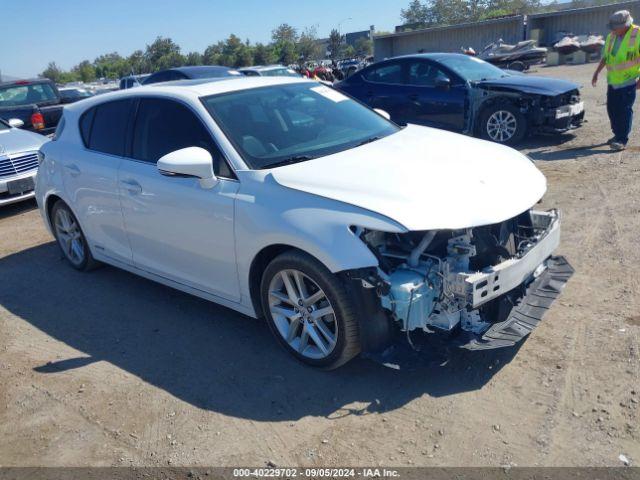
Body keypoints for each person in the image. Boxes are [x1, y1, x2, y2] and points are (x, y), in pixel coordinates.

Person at [592, 10, 640, 151]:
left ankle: (621, 139)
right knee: (612, 109)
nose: (613, 30)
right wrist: (596, 72)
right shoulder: (611, 36)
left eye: (616, 27)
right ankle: (617, 134)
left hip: (628, 80)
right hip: (613, 81)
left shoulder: (637, 34)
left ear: (625, 25)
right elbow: (606, 57)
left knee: (624, 110)